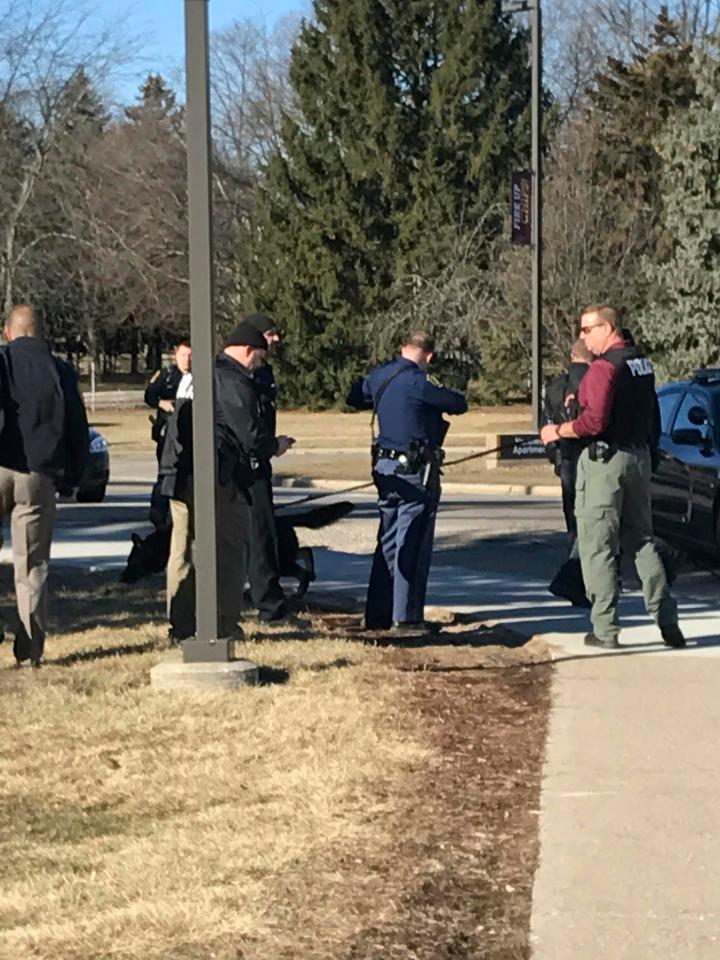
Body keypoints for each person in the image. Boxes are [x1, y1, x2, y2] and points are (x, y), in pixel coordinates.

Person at [539, 304, 684, 650]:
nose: (582, 337)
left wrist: (558, 429)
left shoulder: (605, 368)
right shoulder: (640, 363)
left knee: (597, 545)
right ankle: (667, 620)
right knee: (641, 541)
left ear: (608, 328)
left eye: (588, 330)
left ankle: (605, 629)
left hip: (605, 461)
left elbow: (593, 423)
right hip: (637, 457)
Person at [160, 322, 285, 641]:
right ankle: (223, 624)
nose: (259, 365)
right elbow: (249, 434)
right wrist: (275, 445)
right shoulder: (231, 379)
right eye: (258, 357)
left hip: (180, 472)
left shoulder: (195, 376)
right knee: (229, 550)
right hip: (219, 478)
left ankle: (182, 624)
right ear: (246, 351)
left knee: (183, 552)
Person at [347, 331, 467, 634]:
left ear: (402, 348)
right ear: (429, 356)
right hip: (414, 472)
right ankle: (406, 617)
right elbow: (457, 403)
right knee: (411, 542)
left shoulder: (380, 376)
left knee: (387, 539)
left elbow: (354, 396)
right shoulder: (419, 382)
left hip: (385, 467)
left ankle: (377, 613)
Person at [0, 304, 88, 666]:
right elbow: (77, 429)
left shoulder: (3, 362)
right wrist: (74, 476)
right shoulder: (61, 371)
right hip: (38, 474)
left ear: (9, 332)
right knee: (32, 564)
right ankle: (29, 652)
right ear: (41, 333)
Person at [241, 313, 296, 622]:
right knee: (258, 535)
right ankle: (269, 607)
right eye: (271, 334)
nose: (275, 340)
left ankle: (268, 598)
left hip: (261, 459)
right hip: (245, 463)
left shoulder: (264, 372)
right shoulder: (238, 374)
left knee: (264, 534)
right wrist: (271, 445)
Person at [145, 340, 192, 528]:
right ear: (175, 355)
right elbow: (149, 396)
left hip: (189, 434)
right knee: (166, 474)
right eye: (183, 355)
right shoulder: (166, 375)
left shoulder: (198, 375)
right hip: (168, 433)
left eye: (190, 356)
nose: (186, 360)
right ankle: (159, 512)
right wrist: (162, 403)